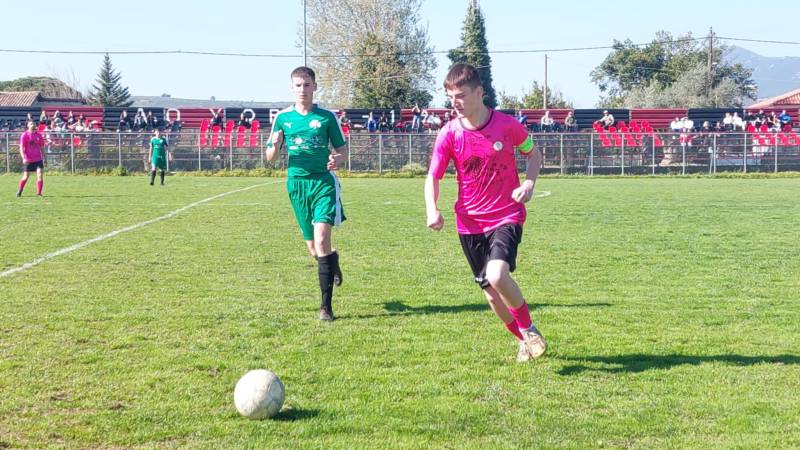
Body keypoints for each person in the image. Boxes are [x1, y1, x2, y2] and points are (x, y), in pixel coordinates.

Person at [424, 63, 547, 363]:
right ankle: (523, 340)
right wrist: (432, 209)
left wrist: (529, 183)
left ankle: (529, 329)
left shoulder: (507, 125)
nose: (455, 103)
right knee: (491, 293)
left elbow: (534, 154)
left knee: (497, 274)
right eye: (450, 97)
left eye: (461, 95)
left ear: (479, 92)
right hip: (469, 224)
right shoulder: (449, 134)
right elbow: (433, 176)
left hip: (506, 215)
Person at [265, 66, 347, 322]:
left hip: (323, 182)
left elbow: (343, 150)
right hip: (297, 185)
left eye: (307, 85)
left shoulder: (327, 117)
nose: (303, 90)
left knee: (322, 239)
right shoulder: (282, 118)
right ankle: (332, 261)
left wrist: (337, 159)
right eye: (298, 85)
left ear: (315, 86)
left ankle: (326, 307)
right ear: (292, 88)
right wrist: (275, 145)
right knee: (314, 249)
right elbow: (270, 157)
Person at [17, 121, 46, 197]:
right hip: (28, 160)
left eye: (34, 124)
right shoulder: (24, 135)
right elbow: (21, 148)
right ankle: (20, 190)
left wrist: (44, 157)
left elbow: (42, 147)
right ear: (28, 125)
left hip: (38, 159)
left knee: (40, 174)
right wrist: (23, 158)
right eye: (31, 124)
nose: (33, 125)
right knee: (26, 176)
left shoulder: (39, 135)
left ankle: (39, 193)